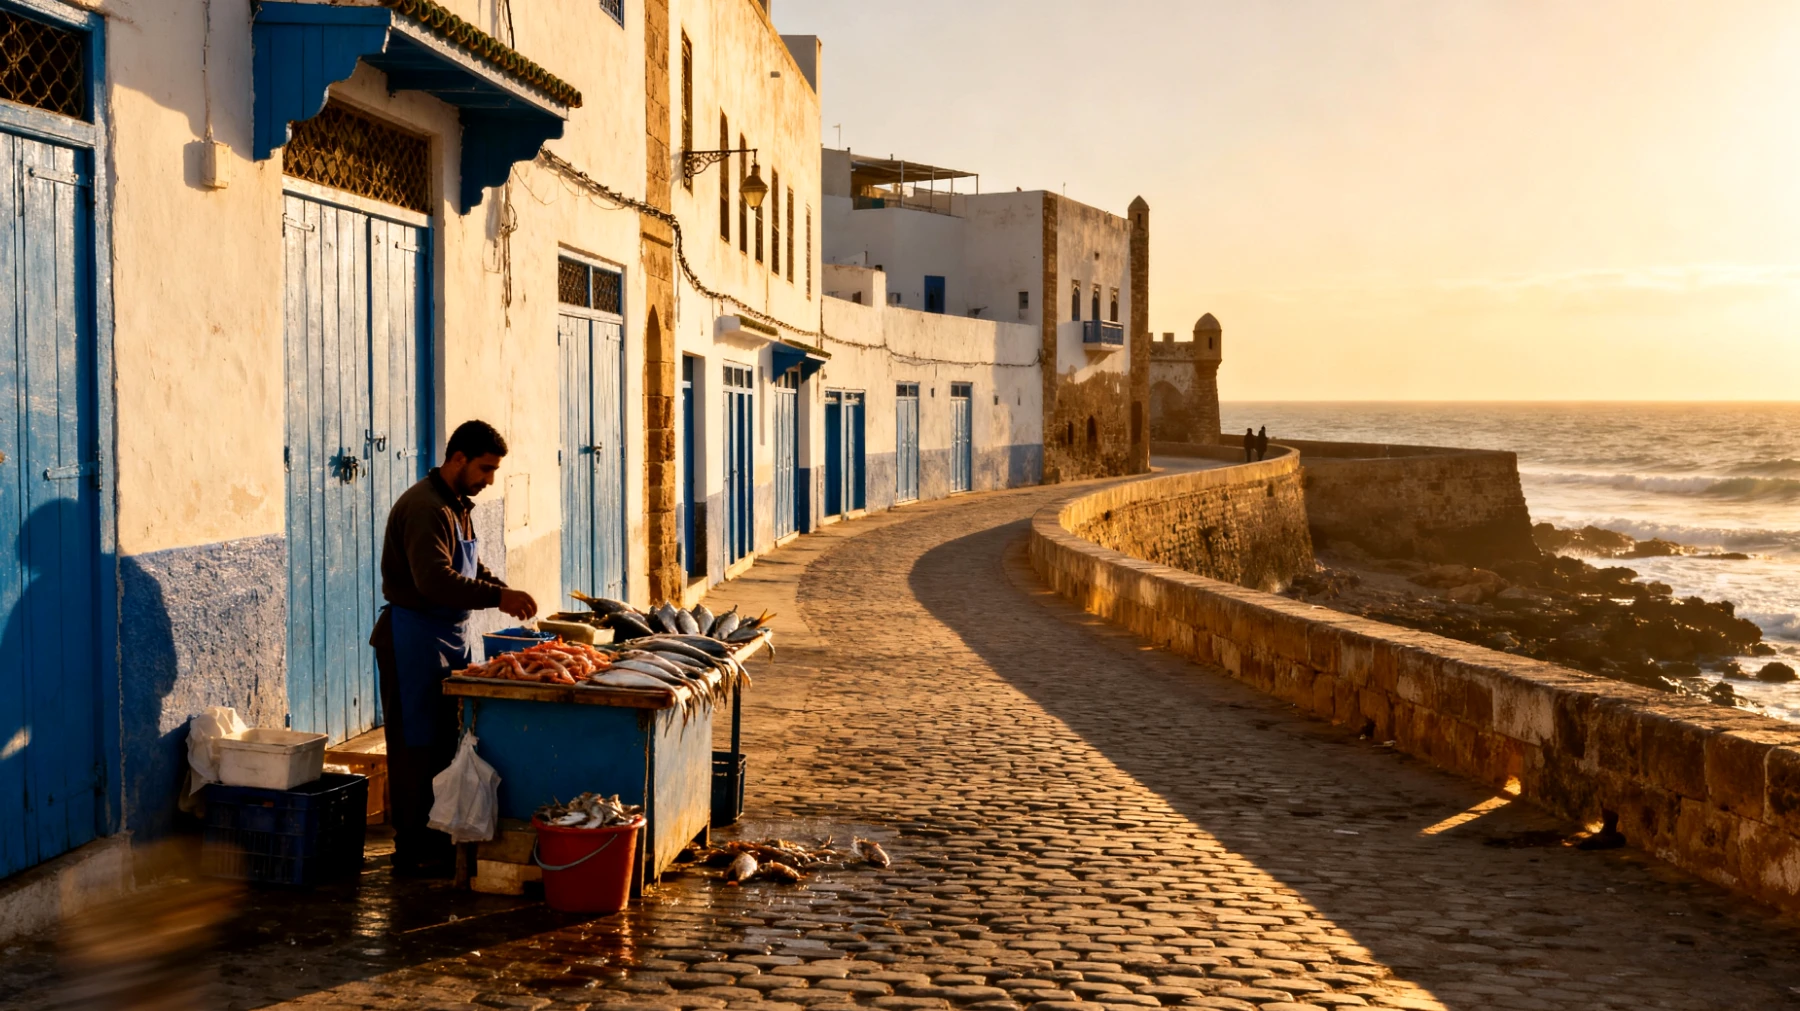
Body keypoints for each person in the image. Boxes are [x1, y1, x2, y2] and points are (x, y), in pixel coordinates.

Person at [370, 420, 537, 877]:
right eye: (485, 469)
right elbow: (436, 579)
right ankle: (412, 848)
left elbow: (469, 562)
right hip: (412, 640)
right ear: (458, 459)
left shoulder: (457, 504)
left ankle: (439, 835)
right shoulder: (425, 507)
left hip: (448, 637)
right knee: (414, 748)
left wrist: (498, 587)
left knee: (444, 742)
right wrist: (496, 598)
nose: (489, 480)